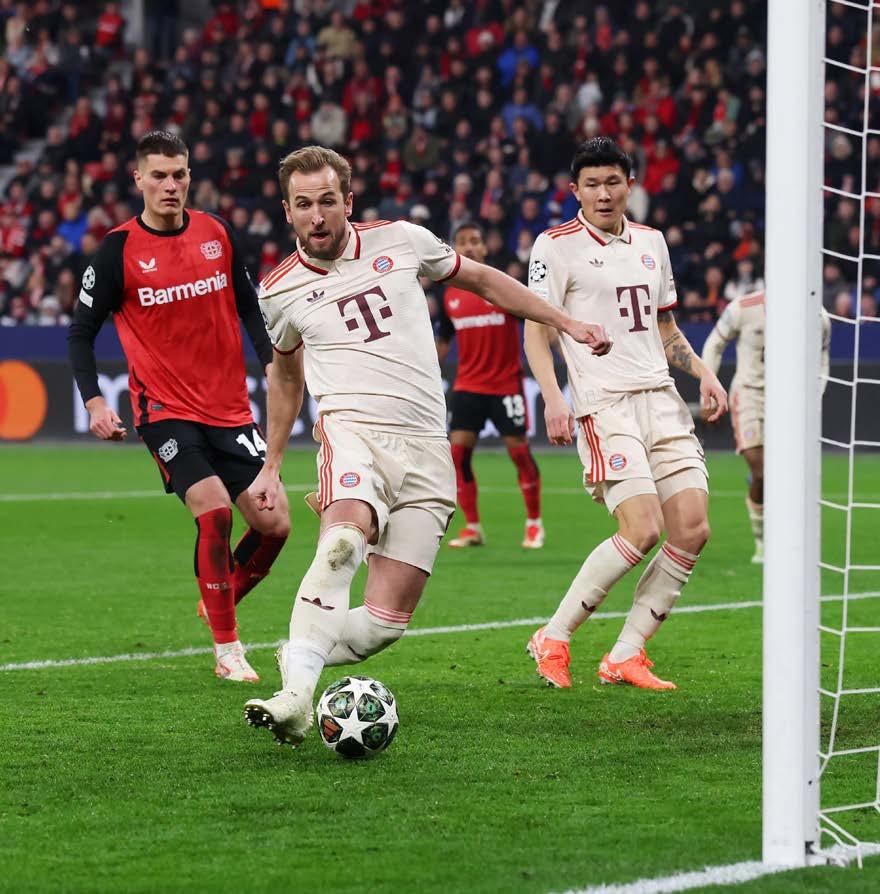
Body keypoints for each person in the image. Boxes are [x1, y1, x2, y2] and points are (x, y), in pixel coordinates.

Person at [242, 146, 610, 746]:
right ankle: (296, 699)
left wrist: (564, 323)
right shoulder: (278, 290)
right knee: (342, 542)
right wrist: (273, 463)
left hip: (425, 448)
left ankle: (302, 649)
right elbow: (285, 377)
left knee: (383, 624)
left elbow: (483, 279)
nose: (317, 215)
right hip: (352, 433)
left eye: (328, 201)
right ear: (287, 211)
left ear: (348, 202)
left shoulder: (402, 240)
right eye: (303, 204)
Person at [67, 130, 291, 683]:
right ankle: (227, 648)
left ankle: (219, 596)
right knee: (214, 512)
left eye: (179, 174)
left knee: (275, 524)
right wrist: (94, 401)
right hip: (164, 411)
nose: (171, 185)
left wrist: (270, 361)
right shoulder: (117, 250)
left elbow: (249, 306)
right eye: (159, 176)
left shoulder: (217, 232)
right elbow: (81, 332)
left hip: (231, 409)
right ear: (138, 179)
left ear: (190, 176)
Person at [523, 137, 728, 691]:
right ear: (575, 191)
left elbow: (664, 327)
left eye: (613, 181)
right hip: (604, 404)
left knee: (693, 528)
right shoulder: (554, 246)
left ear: (629, 185)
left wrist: (704, 372)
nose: (603, 193)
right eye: (592, 184)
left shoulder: (652, 242)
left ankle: (626, 653)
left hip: (660, 399)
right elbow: (536, 330)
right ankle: (554, 636)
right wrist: (554, 397)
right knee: (642, 528)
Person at [701, 288, 831, 563]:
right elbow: (714, 344)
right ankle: (763, 543)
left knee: (787, 475)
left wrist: (815, 398)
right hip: (749, 395)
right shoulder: (743, 308)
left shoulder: (817, 316)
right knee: (761, 472)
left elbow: (821, 360)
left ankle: (786, 536)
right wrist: (708, 394)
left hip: (791, 400)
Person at [436, 220, 544, 550]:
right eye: (462, 241)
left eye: (475, 241)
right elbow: (443, 340)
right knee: (458, 455)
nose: (468, 247)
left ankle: (534, 524)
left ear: (485, 247)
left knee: (520, 453)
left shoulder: (501, 286)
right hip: (467, 386)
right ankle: (472, 528)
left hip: (505, 386)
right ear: (454, 249)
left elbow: (535, 322)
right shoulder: (449, 293)